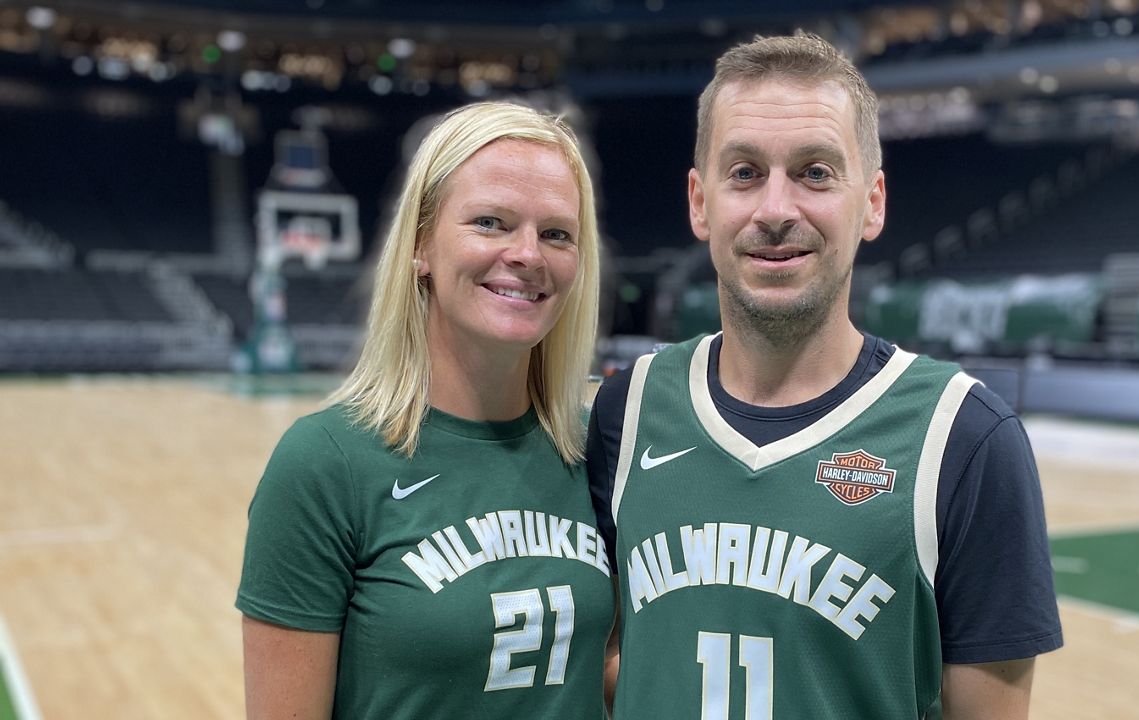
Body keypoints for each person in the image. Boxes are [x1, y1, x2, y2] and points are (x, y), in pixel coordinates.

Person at [587, 34, 1062, 719]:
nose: (776, 210)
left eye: (814, 172)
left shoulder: (967, 440)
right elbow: (613, 659)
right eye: (744, 172)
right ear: (700, 202)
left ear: (872, 202)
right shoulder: (625, 410)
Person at [237, 101, 614, 720]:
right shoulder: (324, 465)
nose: (527, 254)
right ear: (421, 245)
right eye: (490, 222)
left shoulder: (597, 449)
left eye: (556, 233)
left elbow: (604, 671)